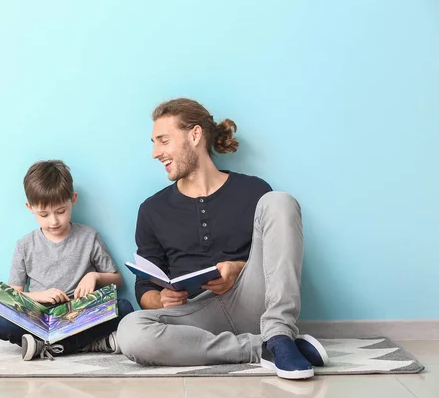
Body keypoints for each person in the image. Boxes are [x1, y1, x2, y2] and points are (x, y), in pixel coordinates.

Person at [117, 98, 329, 379]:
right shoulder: (152, 209)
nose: (156, 152)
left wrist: (236, 269)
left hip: (253, 302)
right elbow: (144, 286)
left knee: (279, 201)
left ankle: (279, 332)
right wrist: (161, 299)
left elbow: (273, 260)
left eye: (163, 140)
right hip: (195, 318)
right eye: (155, 142)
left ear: (194, 135)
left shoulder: (253, 190)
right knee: (130, 332)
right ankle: (263, 348)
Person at [0, 160, 134, 361]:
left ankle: (45, 347)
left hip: (79, 313)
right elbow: (14, 294)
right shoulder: (24, 245)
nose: (53, 221)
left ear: (72, 200)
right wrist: (41, 296)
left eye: (61, 211)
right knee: (0, 321)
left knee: (125, 308)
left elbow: (118, 281)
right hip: (41, 315)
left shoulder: (88, 237)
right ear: (29, 207)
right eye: (44, 214)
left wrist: (94, 277)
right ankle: (87, 344)